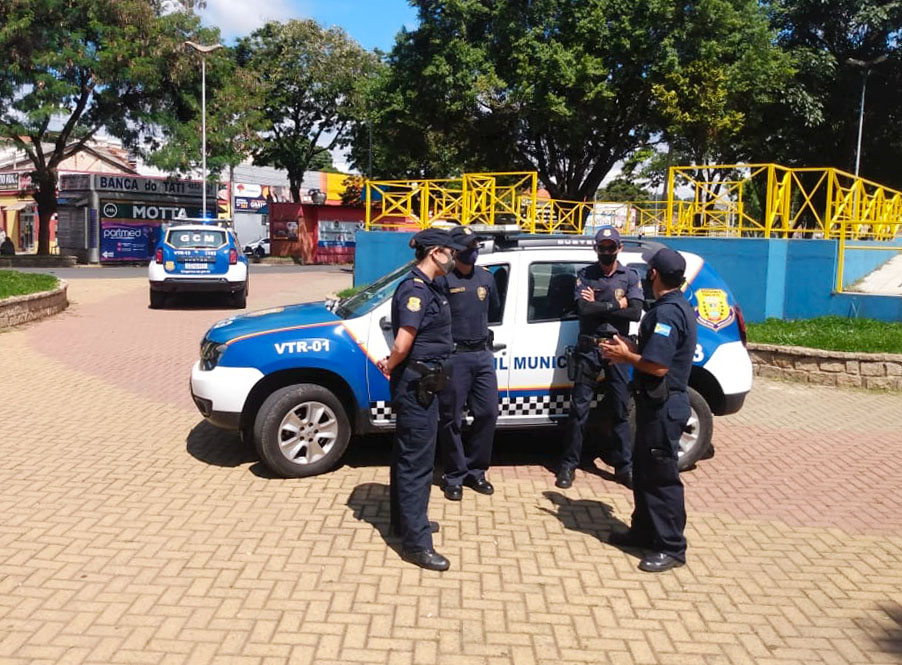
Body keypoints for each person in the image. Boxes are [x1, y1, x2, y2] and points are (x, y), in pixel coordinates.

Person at [376, 227, 468, 572]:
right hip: (418, 385)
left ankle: (405, 523)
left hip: (425, 381)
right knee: (417, 464)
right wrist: (390, 363)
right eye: (450, 251)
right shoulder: (415, 290)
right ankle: (417, 544)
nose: (453, 257)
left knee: (409, 457)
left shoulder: (432, 285)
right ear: (435, 253)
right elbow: (402, 343)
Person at [600, 248, 698, 573]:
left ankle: (671, 547)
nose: (645, 274)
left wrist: (625, 357)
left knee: (661, 477)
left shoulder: (669, 314)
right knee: (644, 471)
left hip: (665, 405)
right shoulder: (669, 308)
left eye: (648, 269)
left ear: (654, 274)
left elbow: (657, 367)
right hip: (653, 403)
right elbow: (653, 355)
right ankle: (643, 530)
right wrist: (630, 349)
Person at [555, 225, 643, 490]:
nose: (606, 252)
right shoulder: (585, 275)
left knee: (619, 409)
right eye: (601, 248)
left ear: (619, 248)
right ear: (596, 248)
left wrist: (599, 306)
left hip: (617, 349)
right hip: (589, 349)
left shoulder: (630, 276)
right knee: (579, 409)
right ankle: (568, 465)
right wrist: (617, 305)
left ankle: (623, 467)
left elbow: (636, 313)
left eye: (610, 247)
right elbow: (583, 308)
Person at [437, 225, 501, 501]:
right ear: (455, 250)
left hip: (482, 355)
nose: (473, 251)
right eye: (467, 247)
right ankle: (454, 474)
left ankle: (477, 470)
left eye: (475, 246)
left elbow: (494, 310)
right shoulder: (443, 280)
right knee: (451, 418)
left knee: (488, 413)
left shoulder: (486, 278)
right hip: (455, 356)